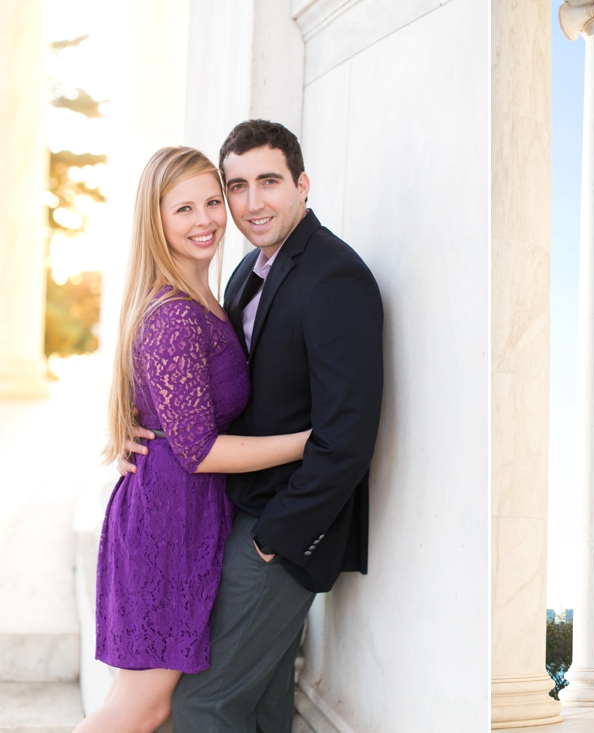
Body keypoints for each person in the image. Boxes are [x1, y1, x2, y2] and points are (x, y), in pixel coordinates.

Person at [120, 120, 384, 732]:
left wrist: (275, 539)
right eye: (235, 187)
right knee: (263, 708)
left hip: (279, 531)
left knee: (199, 706)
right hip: (228, 515)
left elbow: (346, 437)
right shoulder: (243, 274)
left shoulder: (333, 276)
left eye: (268, 181)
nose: (250, 202)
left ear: (302, 184)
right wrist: (145, 423)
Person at [77, 147, 312, 733]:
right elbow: (199, 450)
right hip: (166, 523)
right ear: (155, 220)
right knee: (143, 706)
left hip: (188, 515)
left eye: (212, 201)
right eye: (183, 208)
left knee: (145, 706)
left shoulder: (213, 294)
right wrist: (312, 442)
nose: (205, 219)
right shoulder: (175, 314)